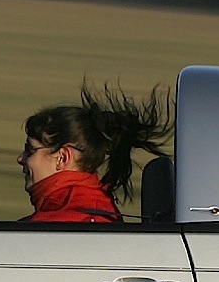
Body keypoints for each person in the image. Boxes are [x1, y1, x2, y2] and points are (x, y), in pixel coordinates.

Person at [17, 83, 172, 223]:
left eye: (30, 150)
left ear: (62, 158)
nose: (20, 158)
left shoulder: (64, 222)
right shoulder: (93, 206)